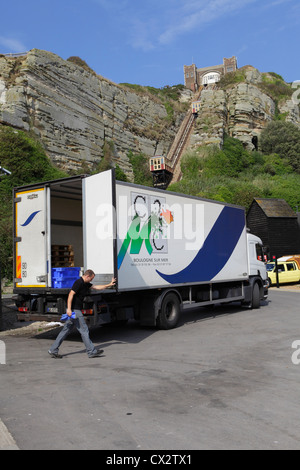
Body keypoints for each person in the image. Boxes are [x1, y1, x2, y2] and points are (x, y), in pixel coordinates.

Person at [48, 269, 116, 359]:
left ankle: (53, 350)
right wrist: (69, 309)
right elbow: (70, 295)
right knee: (84, 331)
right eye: (91, 278)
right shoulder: (78, 282)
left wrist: (109, 284)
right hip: (75, 311)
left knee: (65, 331)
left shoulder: (86, 284)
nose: (91, 281)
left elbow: (96, 287)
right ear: (87, 276)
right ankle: (91, 351)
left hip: (74, 311)